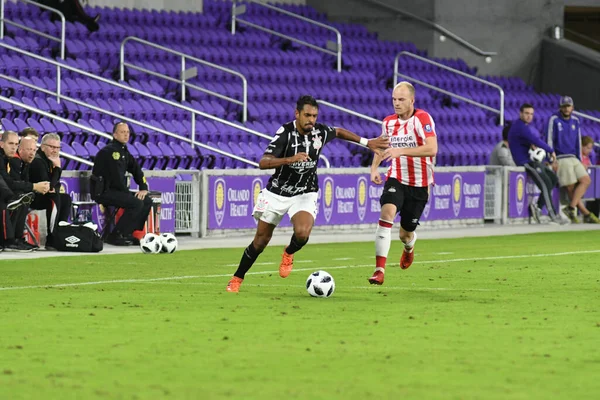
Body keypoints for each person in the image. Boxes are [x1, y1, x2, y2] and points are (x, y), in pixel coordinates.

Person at [225, 95, 389, 293]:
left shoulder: (319, 132)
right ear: (297, 114)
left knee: (302, 234)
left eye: (314, 115)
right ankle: (237, 277)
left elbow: (337, 131)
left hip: (305, 192)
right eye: (307, 115)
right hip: (277, 192)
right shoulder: (285, 132)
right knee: (260, 241)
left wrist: (367, 142)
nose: (311, 119)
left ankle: (288, 252)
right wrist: (289, 159)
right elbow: (263, 162)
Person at [366, 82, 438, 285]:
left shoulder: (422, 118)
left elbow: (432, 148)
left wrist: (401, 151)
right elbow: (382, 147)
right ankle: (379, 270)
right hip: (396, 177)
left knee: (405, 232)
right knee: (386, 213)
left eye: (401, 100)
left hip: (420, 184)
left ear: (412, 101)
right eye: (394, 99)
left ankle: (409, 246)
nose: (396, 104)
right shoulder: (388, 122)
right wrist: (374, 169)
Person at [91, 122, 152, 246]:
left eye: (127, 132)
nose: (126, 135)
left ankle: (128, 233)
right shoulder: (111, 152)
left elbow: (136, 169)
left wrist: (143, 187)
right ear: (114, 134)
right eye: (122, 132)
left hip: (116, 190)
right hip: (103, 191)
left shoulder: (124, 151)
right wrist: (129, 194)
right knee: (136, 203)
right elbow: (116, 178)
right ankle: (116, 235)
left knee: (146, 200)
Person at [545, 96, 599, 223]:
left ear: (572, 108)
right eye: (564, 106)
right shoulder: (554, 119)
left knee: (586, 180)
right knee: (570, 187)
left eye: (568, 106)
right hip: (561, 157)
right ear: (560, 107)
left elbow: (578, 141)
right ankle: (586, 214)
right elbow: (549, 139)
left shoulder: (576, 121)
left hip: (574, 157)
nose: (566, 108)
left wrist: (580, 159)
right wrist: (552, 159)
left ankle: (571, 207)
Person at [508, 104, 561, 224]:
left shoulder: (524, 127)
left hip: (533, 161)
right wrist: (550, 150)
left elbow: (530, 141)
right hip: (525, 162)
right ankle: (552, 214)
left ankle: (537, 207)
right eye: (526, 113)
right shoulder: (519, 127)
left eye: (531, 114)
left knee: (552, 178)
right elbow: (535, 140)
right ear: (520, 113)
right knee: (545, 183)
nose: (529, 116)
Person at [28, 133, 72, 248]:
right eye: (52, 147)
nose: (55, 151)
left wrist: (53, 187)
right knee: (54, 198)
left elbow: (55, 186)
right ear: (42, 147)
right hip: (31, 197)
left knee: (66, 198)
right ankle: (52, 237)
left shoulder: (49, 160)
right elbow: (47, 187)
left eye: (57, 148)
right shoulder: (38, 161)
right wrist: (58, 168)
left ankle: (60, 232)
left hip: (43, 195)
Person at [8, 137, 47, 248]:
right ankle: (13, 239)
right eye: (29, 149)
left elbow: (24, 182)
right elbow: (14, 184)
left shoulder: (26, 163)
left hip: (13, 193)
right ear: (20, 150)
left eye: (34, 150)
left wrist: (57, 168)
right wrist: (34, 187)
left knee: (25, 197)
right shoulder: (15, 161)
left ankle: (18, 238)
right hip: (7, 195)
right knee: (20, 198)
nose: (32, 153)